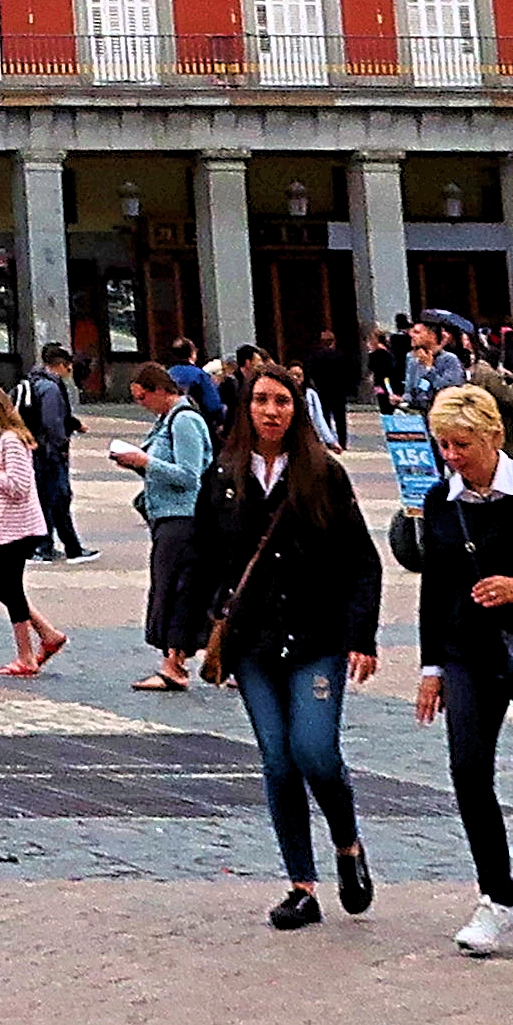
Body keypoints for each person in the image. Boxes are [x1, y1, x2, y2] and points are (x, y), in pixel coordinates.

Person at [192, 358, 382, 928]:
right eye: (261, 401)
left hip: (315, 637)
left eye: (282, 402)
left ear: (296, 411)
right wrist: (209, 632)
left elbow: (361, 562)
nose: (271, 411)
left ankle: (347, 846)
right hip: (252, 642)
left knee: (315, 751)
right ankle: (302, 884)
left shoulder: (321, 473)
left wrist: (361, 637)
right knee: (277, 760)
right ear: (244, 408)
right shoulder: (223, 475)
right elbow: (205, 559)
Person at [407, 380, 513, 955]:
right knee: (467, 771)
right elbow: (434, 590)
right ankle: (496, 900)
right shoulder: (440, 501)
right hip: (467, 654)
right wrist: (430, 666)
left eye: (461, 444)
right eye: (443, 445)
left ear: (493, 437)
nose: (451, 456)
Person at [112, 359, 215, 690]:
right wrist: (136, 465)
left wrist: (145, 461)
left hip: (183, 518)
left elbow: (189, 475)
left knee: (176, 589)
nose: (141, 405)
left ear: (160, 391)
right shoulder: (164, 421)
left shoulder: (184, 421)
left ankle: (174, 665)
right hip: (165, 515)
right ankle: (187, 660)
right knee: (173, 588)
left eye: (142, 397)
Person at [0, 382, 65, 676]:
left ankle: (27, 655)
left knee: (7, 584)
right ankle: (47, 634)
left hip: (17, 526)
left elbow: (19, 487)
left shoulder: (11, 440)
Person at [21, 344, 93, 561]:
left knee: (55, 498)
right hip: (49, 452)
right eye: (68, 367)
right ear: (61, 365)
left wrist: (73, 424)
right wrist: (61, 445)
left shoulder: (33, 381)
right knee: (54, 497)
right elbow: (52, 422)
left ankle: (69, 547)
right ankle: (45, 547)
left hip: (39, 450)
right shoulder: (50, 388)